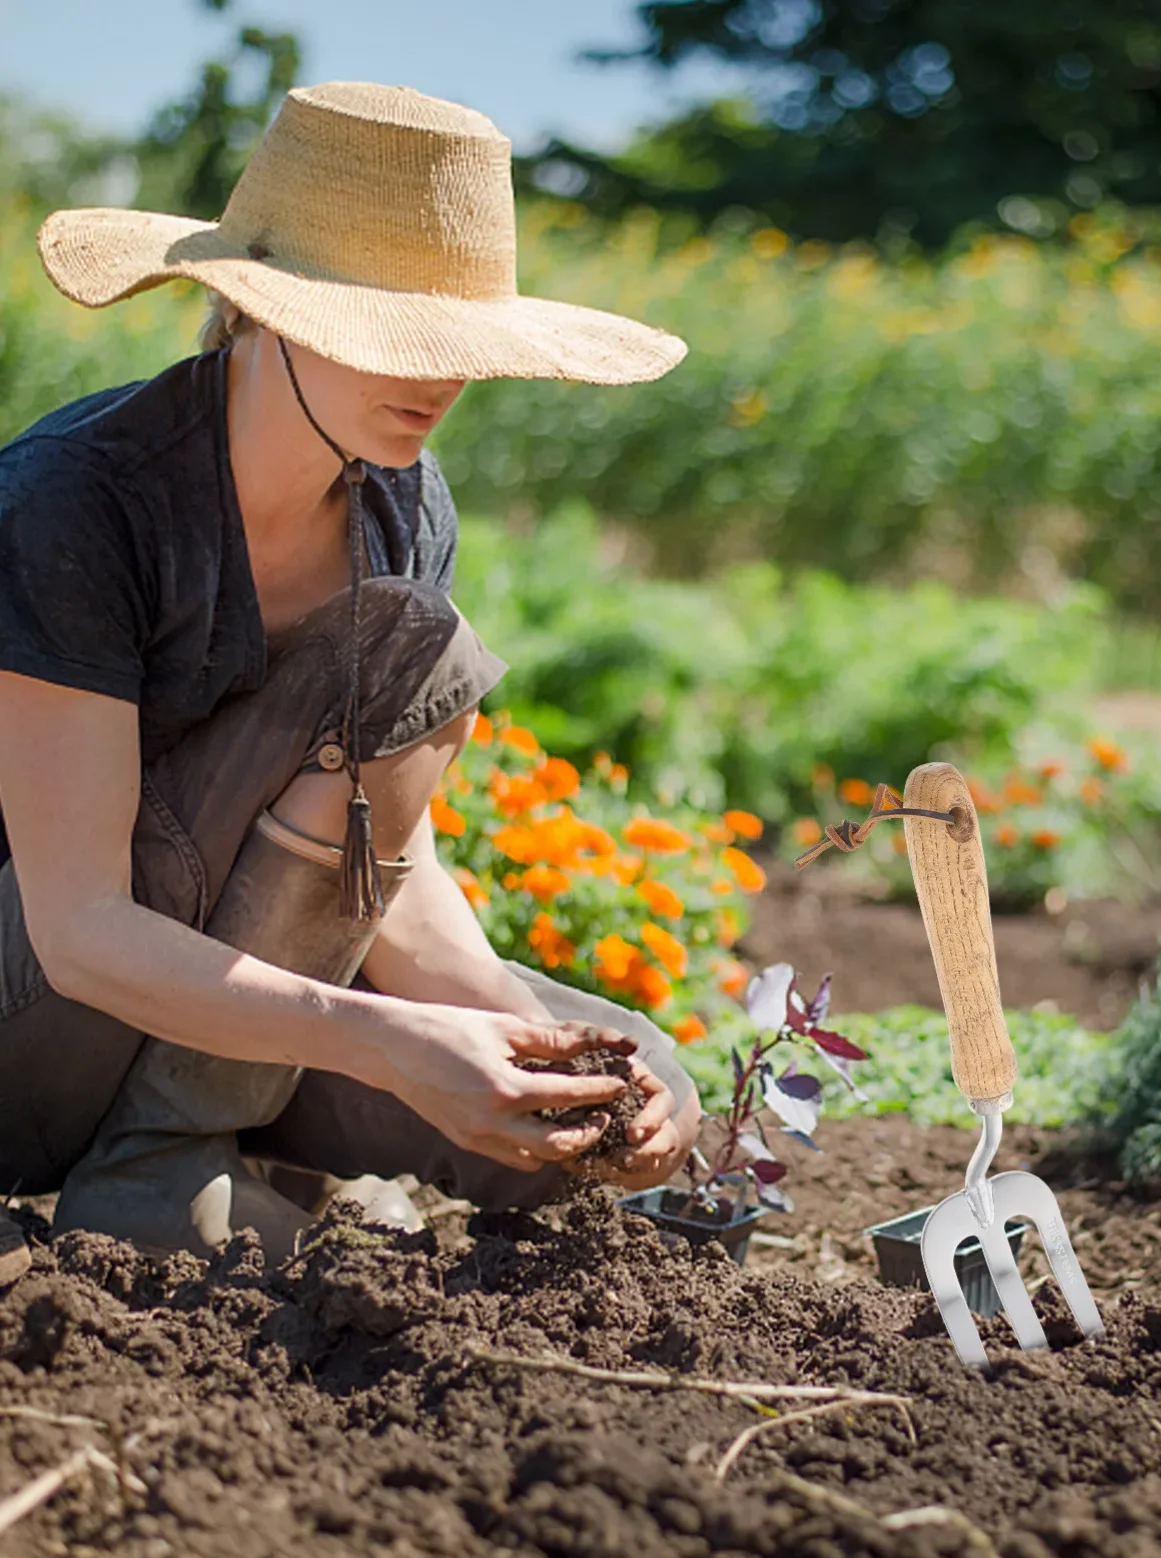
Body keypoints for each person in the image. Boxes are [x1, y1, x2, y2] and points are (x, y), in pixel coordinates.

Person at [0, 81, 704, 1262]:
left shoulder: (401, 501)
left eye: (459, 343)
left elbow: (375, 857)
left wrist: (513, 1030)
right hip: (35, 1021)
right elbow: (77, 930)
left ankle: (182, 1162)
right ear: (264, 311)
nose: (438, 380)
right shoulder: (81, 501)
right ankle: (163, 1174)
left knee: (617, 1089)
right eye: (394, 334)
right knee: (413, 644)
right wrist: (387, 1042)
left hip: (217, 1024)